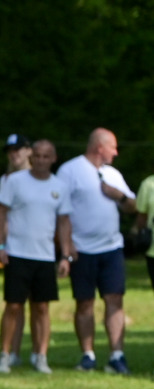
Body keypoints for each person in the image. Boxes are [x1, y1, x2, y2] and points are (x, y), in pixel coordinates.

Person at [0, 139, 72, 375]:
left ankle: (41, 355)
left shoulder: (60, 186)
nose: (41, 160)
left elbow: (64, 222)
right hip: (17, 252)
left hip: (45, 256)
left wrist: (66, 255)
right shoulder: (14, 182)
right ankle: (5, 355)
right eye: (37, 156)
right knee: (13, 306)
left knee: (42, 308)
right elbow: (0, 212)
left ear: (53, 159)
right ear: (31, 157)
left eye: (46, 156)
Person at [59, 128, 135, 374]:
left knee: (115, 299)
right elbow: (62, 213)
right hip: (82, 250)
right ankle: (88, 355)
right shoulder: (70, 171)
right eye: (112, 146)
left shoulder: (113, 174)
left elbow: (134, 206)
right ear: (99, 147)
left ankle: (116, 355)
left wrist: (119, 196)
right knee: (85, 303)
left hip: (111, 248)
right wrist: (67, 247)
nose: (116, 152)